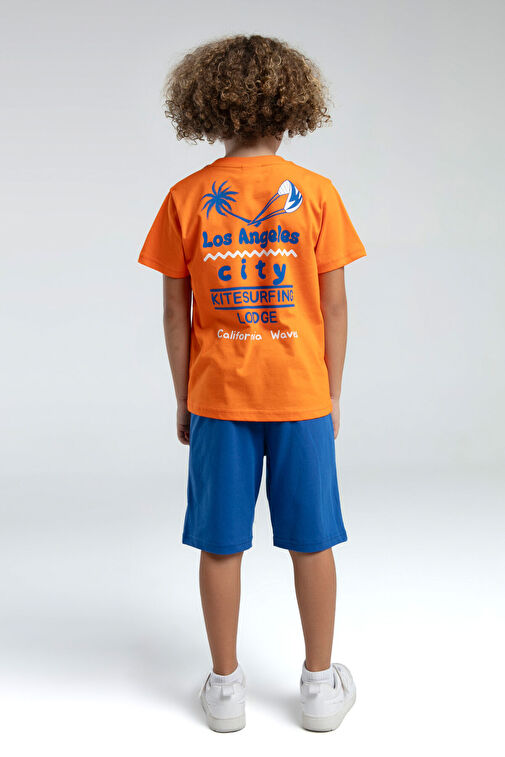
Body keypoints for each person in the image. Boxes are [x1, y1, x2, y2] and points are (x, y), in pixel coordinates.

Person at [138, 34, 366, 733]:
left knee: (220, 543)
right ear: (293, 106)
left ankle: (226, 687)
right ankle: (320, 686)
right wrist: (330, 392)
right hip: (301, 395)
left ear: (206, 108)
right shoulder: (317, 194)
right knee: (312, 540)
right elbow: (333, 307)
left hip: (218, 398)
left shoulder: (185, 198)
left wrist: (184, 397)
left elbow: (176, 313)